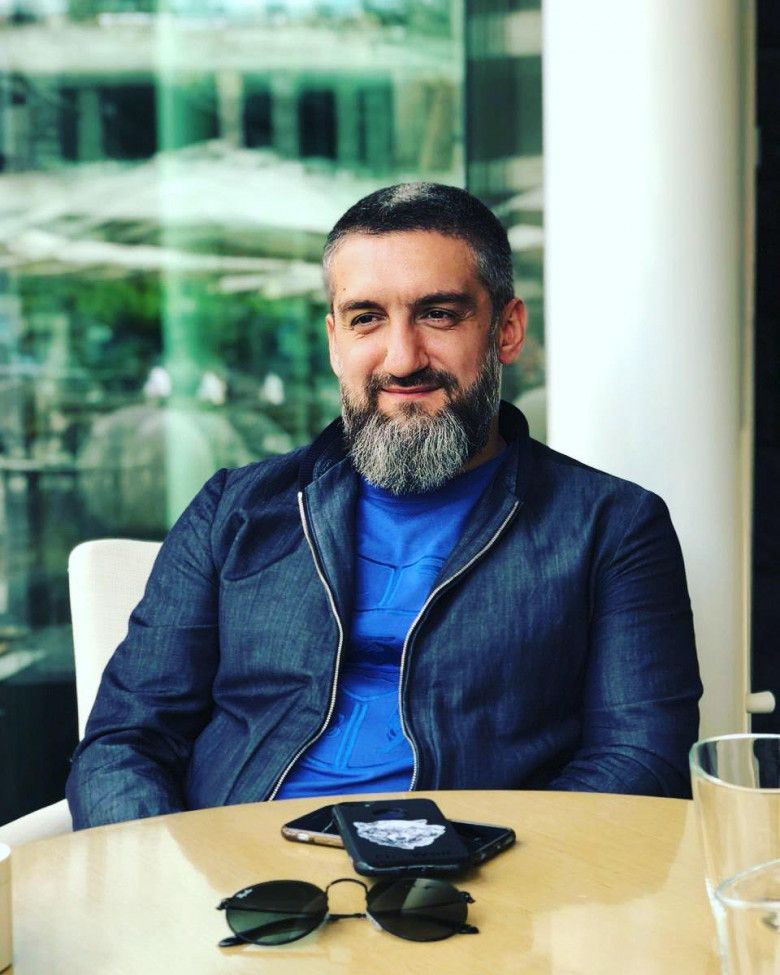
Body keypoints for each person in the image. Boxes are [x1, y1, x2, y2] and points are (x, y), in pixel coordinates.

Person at [66, 183, 702, 829]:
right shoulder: (232, 510)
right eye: (366, 318)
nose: (402, 359)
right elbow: (124, 743)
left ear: (506, 330)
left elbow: (640, 761)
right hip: (238, 870)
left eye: (439, 314)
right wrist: (166, 873)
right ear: (334, 340)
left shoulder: (612, 526)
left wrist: (467, 860)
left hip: (476, 876)